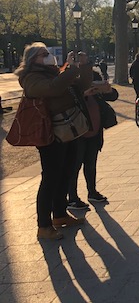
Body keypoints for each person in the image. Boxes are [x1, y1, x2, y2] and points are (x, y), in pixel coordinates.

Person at [16, 43, 93, 240]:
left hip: (68, 130)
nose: (49, 56)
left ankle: (59, 214)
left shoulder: (54, 72)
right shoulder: (31, 78)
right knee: (50, 177)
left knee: (66, 173)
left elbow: (82, 85)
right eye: (44, 54)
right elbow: (53, 89)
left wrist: (83, 66)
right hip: (50, 133)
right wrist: (70, 69)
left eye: (48, 53)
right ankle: (44, 225)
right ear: (33, 58)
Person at [67, 69, 118, 209]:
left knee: (91, 164)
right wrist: (83, 95)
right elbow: (66, 102)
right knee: (75, 166)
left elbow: (113, 96)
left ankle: (92, 192)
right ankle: (72, 197)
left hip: (95, 132)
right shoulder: (70, 81)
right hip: (78, 133)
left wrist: (108, 90)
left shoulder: (94, 78)